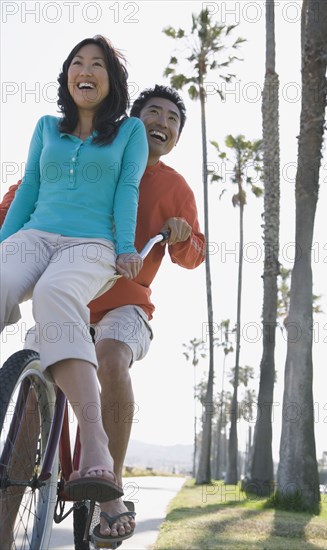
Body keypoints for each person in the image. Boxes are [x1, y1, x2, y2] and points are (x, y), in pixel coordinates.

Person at [0, 85, 205, 543]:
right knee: (33, 386)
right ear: (129, 126)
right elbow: (27, 192)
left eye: (173, 119)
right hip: (65, 297)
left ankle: (106, 487)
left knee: (112, 356)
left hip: (126, 305)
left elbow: (194, 255)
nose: (162, 122)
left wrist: (181, 233)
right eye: (152, 112)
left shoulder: (175, 187)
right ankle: (5, 517)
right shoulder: (94, 157)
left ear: (176, 137)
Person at [0, 33, 148, 526]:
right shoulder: (46, 127)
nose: (86, 70)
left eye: (98, 64)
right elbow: (29, 189)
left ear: (111, 80)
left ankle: (97, 452)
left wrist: (126, 247)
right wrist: (4, 242)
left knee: (55, 293)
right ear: (68, 77)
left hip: (92, 245)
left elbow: (127, 189)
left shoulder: (129, 133)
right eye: (77, 63)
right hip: (37, 233)